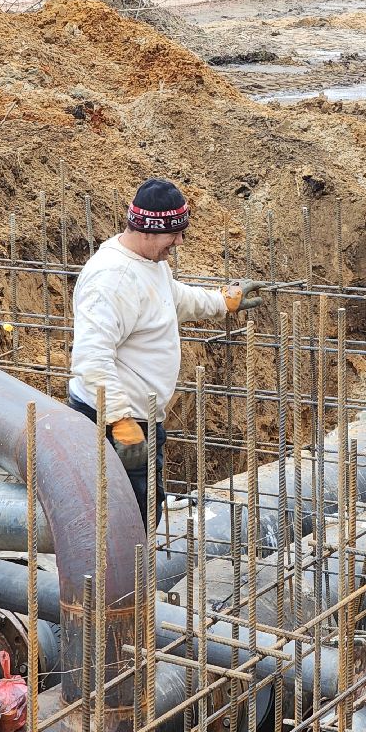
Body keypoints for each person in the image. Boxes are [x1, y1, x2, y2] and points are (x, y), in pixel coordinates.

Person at [68, 178, 260, 524]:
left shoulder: (148, 263)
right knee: (121, 522)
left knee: (142, 511)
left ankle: (131, 576)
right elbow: (91, 357)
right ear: (148, 230)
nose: (180, 242)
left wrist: (222, 301)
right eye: (174, 234)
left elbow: (173, 298)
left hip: (138, 419)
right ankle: (116, 579)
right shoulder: (112, 279)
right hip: (114, 424)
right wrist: (120, 420)